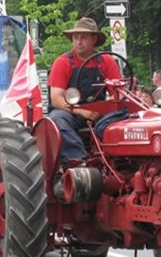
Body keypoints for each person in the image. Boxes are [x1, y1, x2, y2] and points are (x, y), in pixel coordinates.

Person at [47, 17, 121, 166]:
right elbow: (56, 98)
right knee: (57, 119)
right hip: (70, 112)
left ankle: (120, 160)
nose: (78, 42)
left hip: (99, 112)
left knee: (124, 117)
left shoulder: (106, 61)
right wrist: (81, 111)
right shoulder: (63, 62)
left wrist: (110, 108)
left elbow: (118, 93)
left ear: (94, 39)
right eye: (76, 37)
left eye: (84, 37)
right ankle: (78, 162)